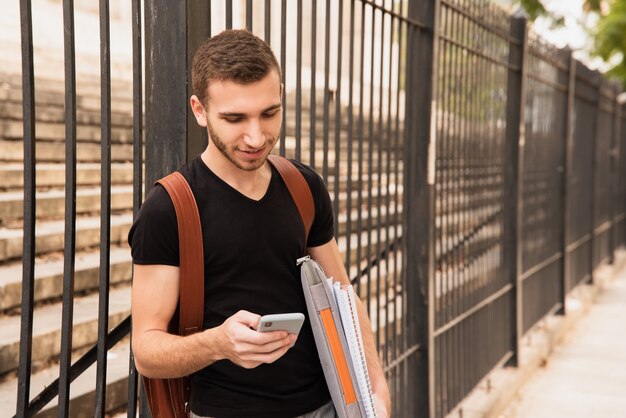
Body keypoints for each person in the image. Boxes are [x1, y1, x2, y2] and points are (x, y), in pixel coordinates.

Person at [129, 29, 391, 418]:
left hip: (328, 406)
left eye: (269, 113)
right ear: (199, 110)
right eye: (235, 118)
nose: (256, 136)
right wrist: (219, 343)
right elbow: (146, 351)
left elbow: (345, 299)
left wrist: (376, 392)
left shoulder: (304, 186)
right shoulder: (169, 208)